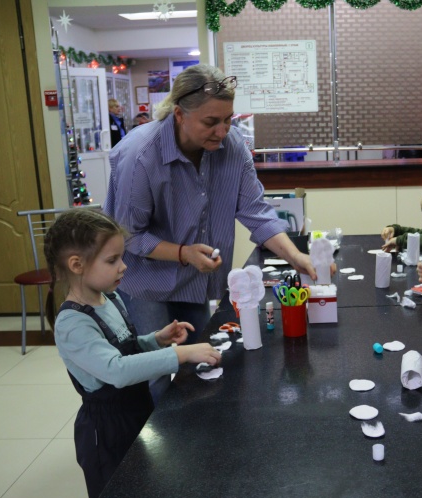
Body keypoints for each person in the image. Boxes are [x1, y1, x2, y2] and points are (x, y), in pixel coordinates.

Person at [105, 64, 321, 402]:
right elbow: (128, 235)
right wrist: (183, 253)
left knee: (203, 363)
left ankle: (197, 444)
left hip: (195, 279)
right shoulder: (140, 155)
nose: (222, 131)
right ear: (179, 114)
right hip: (145, 281)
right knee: (156, 373)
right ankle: (152, 450)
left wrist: (295, 256)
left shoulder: (232, 147)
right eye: (210, 122)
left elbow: (256, 211)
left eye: (228, 120)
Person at [44, 208, 221, 498]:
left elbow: (124, 346)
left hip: (137, 411)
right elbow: (117, 369)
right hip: (107, 432)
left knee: (144, 494)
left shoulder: (109, 297)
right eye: (112, 260)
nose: (123, 267)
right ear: (76, 265)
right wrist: (178, 354)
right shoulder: (72, 323)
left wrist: (156, 340)